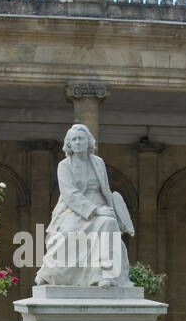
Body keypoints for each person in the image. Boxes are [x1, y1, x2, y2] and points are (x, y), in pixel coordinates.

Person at [35, 123, 131, 287]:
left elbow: (105, 189)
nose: (77, 142)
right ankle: (50, 273)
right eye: (74, 140)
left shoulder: (98, 162)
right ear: (69, 144)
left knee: (109, 223)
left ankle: (106, 275)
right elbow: (70, 194)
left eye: (80, 139)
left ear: (88, 142)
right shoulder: (64, 165)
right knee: (67, 233)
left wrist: (112, 211)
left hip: (99, 204)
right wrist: (96, 210)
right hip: (73, 209)